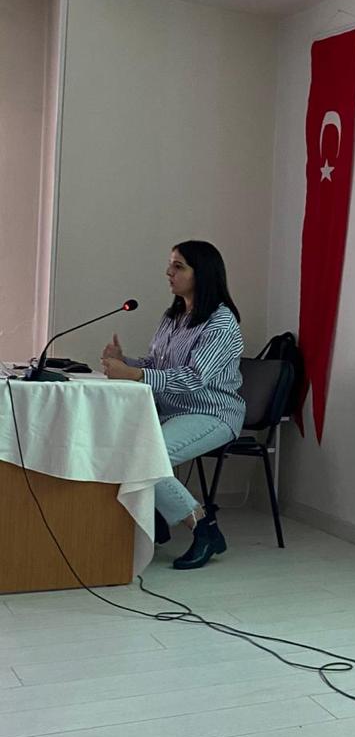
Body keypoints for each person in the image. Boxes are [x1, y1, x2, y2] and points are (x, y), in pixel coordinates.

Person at [101, 241, 245, 570]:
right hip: (170, 411)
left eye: (179, 266)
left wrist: (135, 374)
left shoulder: (221, 323)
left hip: (212, 413)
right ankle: (155, 516)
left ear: (202, 273)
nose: (169, 272)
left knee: (148, 457)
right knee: (120, 446)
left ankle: (204, 529)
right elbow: (157, 364)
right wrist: (125, 361)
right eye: (170, 264)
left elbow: (194, 377)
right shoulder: (174, 316)